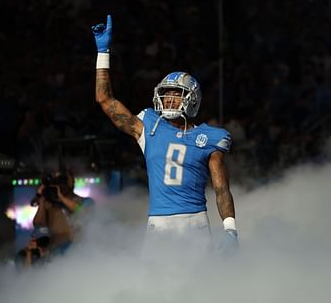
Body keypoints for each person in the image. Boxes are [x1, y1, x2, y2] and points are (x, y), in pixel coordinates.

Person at [91, 15, 238, 254]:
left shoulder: (210, 137)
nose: (169, 98)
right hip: (158, 224)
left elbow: (221, 188)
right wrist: (103, 52)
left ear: (191, 100)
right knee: (153, 289)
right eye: (166, 93)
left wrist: (230, 228)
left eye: (176, 94)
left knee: (200, 289)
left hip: (194, 223)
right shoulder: (149, 125)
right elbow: (105, 100)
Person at [32, 170, 94, 256]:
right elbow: (38, 223)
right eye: (56, 180)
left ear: (72, 183)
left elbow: (82, 212)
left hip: (79, 253)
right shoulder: (49, 206)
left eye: (63, 180)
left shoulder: (85, 201)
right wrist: (42, 200)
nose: (60, 184)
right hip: (57, 256)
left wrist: (62, 198)